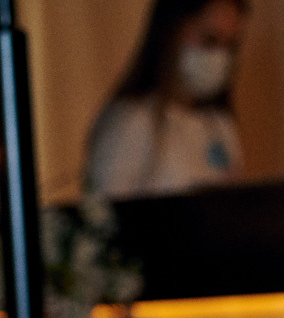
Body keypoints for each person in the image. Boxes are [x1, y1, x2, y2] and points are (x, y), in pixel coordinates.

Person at [85, 0, 247, 198]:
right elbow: (105, 212)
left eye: (230, 46)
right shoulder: (131, 122)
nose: (219, 57)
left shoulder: (220, 125)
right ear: (172, 31)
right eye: (209, 40)